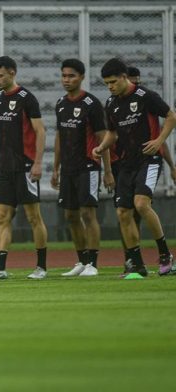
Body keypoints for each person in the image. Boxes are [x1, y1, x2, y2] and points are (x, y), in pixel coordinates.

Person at [92, 58, 176, 278]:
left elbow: (171, 115)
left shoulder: (145, 96)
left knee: (141, 203)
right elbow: (113, 132)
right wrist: (101, 147)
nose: (110, 86)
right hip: (126, 163)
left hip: (149, 160)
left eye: (112, 82)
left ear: (123, 77)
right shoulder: (111, 103)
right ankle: (137, 265)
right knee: (123, 212)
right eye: (106, 83)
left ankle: (165, 255)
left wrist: (159, 141)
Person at [0, 56, 49, 280]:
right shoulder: (0, 100)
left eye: (0, 75)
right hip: (5, 167)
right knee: (2, 218)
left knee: (33, 217)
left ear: (12, 73)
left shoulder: (27, 98)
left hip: (25, 166)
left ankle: (41, 267)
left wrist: (37, 162)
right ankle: (0, 268)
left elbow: (40, 131)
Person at [51, 59, 113, 277]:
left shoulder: (91, 104)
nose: (66, 80)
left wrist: (107, 171)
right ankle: (81, 260)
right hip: (68, 168)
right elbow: (59, 136)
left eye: (71, 76)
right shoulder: (61, 103)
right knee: (70, 215)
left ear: (82, 77)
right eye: (64, 75)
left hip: (88, 166)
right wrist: (56, 168)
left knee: (88, 213)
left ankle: (93, 264)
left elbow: (102, 139)